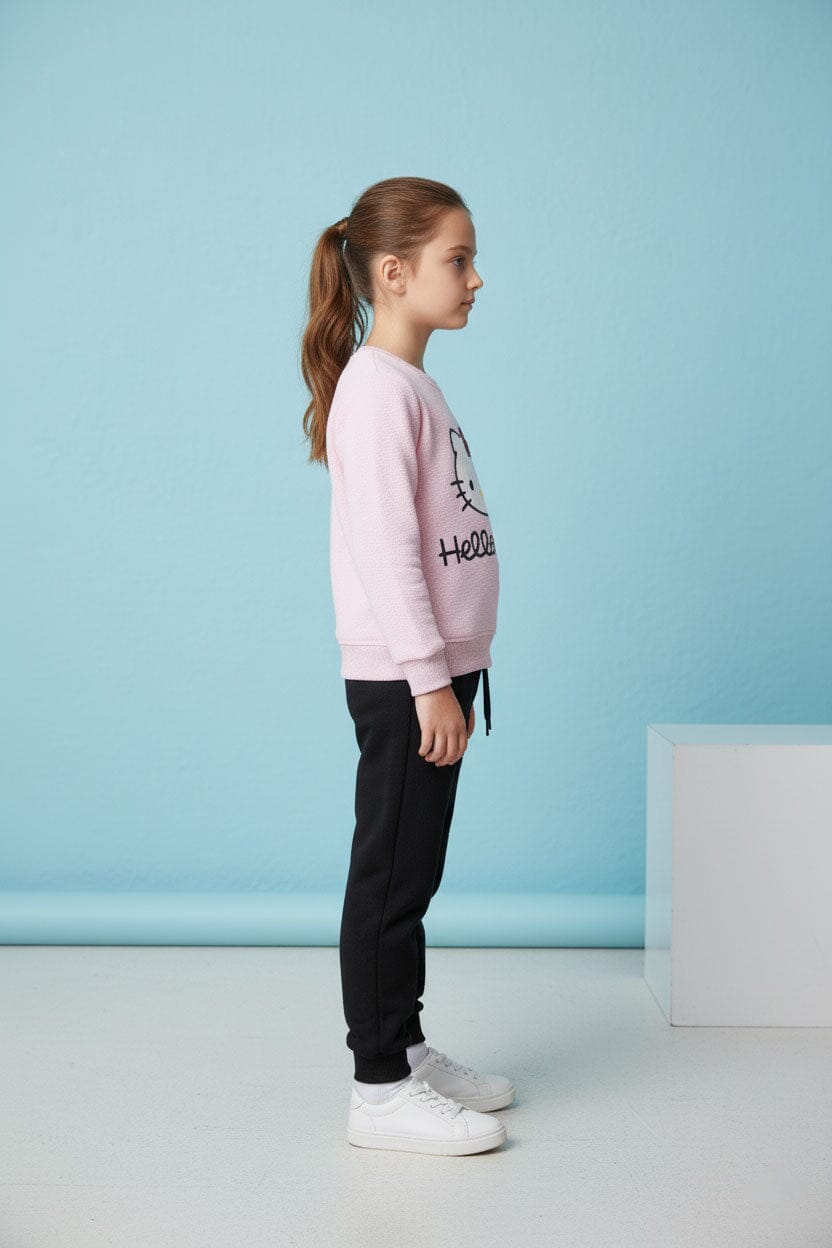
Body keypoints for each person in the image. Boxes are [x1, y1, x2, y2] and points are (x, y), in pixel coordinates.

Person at [300, 176, 514, 1156]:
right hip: (405, 681)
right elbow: (387, 552)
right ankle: (378, 1090)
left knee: (412, 875)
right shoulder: (376, 393)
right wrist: (429, 677)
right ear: (393, 273)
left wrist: (449, 670)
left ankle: (407, 1047)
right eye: (457, 260)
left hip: (435, 674)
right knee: (388, 877)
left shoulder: (411, 385)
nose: (476, 278)